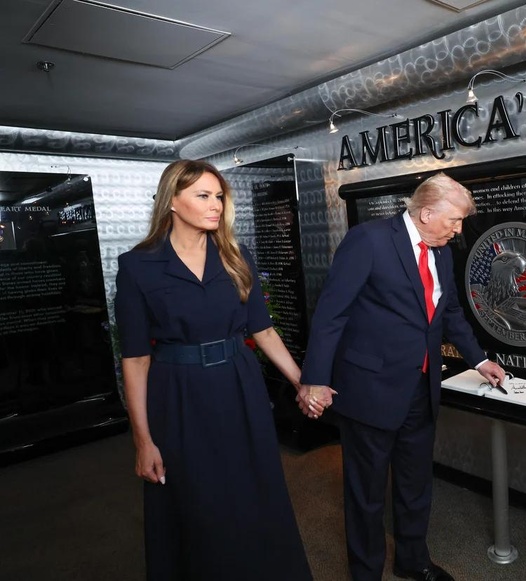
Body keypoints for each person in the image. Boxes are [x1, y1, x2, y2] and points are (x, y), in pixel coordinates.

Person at [299, 172, 506, 581]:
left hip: (420, 389)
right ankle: (366, 573)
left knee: (415, 487)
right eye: (454, 220)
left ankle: (414, 562)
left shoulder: (442, 252)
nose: (459, 229)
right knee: (367, 495)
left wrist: (479, 360)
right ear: (427, 212)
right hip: (370, 390)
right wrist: (315, 379)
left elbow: (449, 314)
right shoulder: (370, 240)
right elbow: (331, 313)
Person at [114, 159, 312, 581]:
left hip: (239, 387)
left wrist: (302, 382)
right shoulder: (138, 266)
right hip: (179, 395)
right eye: (203, 195)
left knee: (254, 491)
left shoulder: (237, 256)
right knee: (195, 500)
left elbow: (263, 330)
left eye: (219, 196)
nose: (216, 205)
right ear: (173, 201)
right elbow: (134, 359)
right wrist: (142, 440)